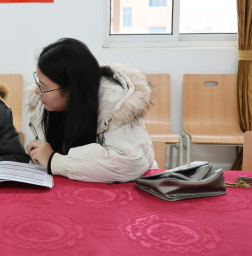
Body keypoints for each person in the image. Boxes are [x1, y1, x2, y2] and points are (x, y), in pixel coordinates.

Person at [26, 38, 156, 182]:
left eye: (43, 87)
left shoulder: (117, 104)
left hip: (127, 186)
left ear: (73, 88)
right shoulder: (44, 104)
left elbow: (130, 163)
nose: (37, 92)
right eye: (38, 83)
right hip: (74, 184)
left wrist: (54, 161)